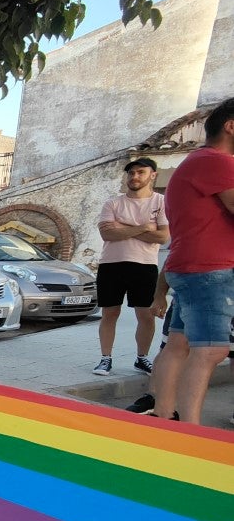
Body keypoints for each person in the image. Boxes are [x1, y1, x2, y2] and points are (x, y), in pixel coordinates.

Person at [148, 99, 234, 424]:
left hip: (189, 267)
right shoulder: (216, 161)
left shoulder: (196, 161)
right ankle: (190, 431)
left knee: (178, 345)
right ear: (231, 126)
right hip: (210, 270)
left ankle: (163, 415)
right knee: (211, 350)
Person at [92, 157, 168, 375]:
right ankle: (105, 359)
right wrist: (145, 227)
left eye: (141, 172)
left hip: (144, 265)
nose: (135, 176)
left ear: (153, 175)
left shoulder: (161, 202)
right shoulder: (113, 203)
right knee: (110, 313)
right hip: (111, 264)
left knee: (146, 315)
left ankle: (141, 358)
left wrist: (123, 227)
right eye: (131, 173)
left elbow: (163, 237)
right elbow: (107, 233)